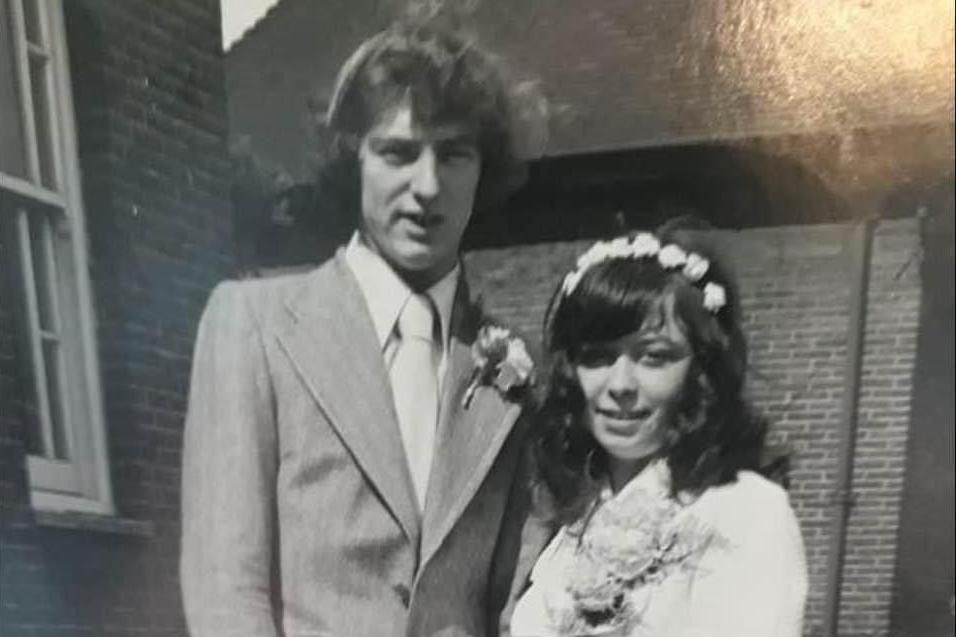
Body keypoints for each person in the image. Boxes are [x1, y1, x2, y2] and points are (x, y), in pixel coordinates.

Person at [180, 17, 534, 637]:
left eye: (453, 154)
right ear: (353, 161)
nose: (427, 187)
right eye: (397, 153)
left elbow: (515, 599)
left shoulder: (513, 369)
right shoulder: (253, 327)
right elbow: (225, 589)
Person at [503, 225, 808, 636]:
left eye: (654, 357)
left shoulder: (744, 512)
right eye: (598, 357)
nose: (621, 385)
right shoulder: (573, 517)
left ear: (700, 370)